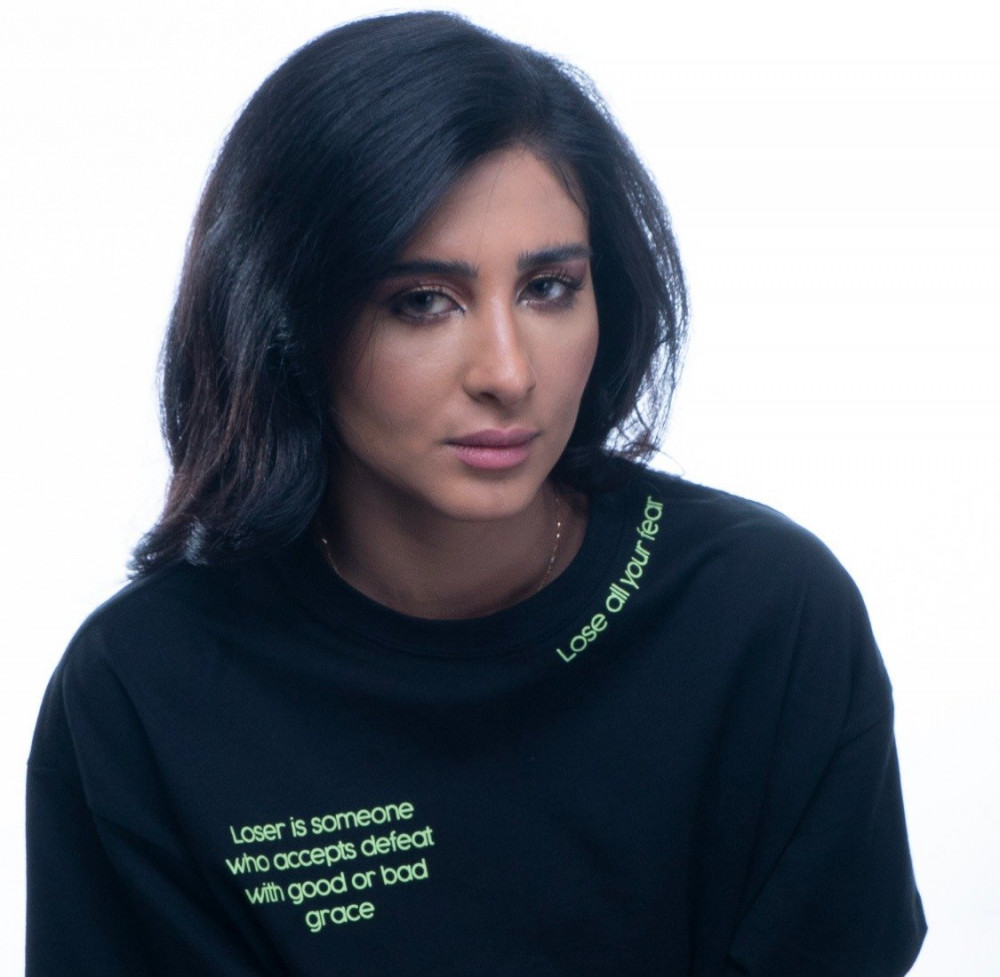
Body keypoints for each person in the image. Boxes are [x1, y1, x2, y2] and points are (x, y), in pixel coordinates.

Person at [26, 11, 926, 976]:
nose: (507, 371)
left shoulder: (767, 618)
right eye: (423, 301)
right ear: (285, 315)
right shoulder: (144, 693)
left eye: (548, 287)